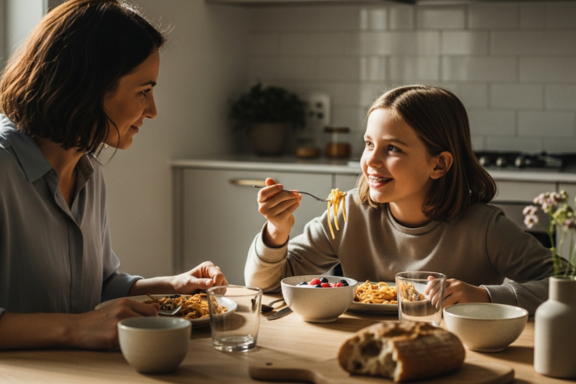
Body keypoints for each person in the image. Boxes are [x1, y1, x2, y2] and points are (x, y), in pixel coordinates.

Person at [0, 0, 227, 350]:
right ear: (88, 86)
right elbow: (79, 321)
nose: (152, 111)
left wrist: (171, 285)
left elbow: (96, 285)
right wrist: (74, 329)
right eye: (143, 91)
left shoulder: (87, 170)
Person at [245, 84, 566, 315]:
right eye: (369, 144)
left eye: (393, 148)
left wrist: (485, 296)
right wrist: (277, 230)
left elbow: (567, 284)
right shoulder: (346, 213)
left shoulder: (485, 228)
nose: (370, 160)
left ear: (438, 164)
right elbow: (267, 285)